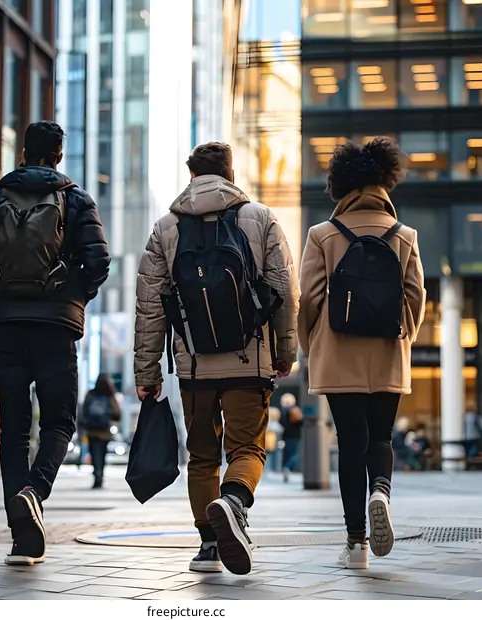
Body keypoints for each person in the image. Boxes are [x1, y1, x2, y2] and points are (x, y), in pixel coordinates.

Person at [134, 142, 300, 575]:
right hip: (249, 359)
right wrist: (285, 352)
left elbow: (150, 306)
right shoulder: (260, 218)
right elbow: (283, 291)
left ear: (191, 177)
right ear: (230, 175)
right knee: (247, 447)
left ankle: (209, 545)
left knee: (202, 456)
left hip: (192, 364)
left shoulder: (165, 227)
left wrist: (146, 372)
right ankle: (232, 501)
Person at [0, 121, 110, 566]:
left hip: (5, 326)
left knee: (13, 432)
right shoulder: (76, 198)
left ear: (24, 152)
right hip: (55, 328)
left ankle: (21, 540)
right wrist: (71, 294)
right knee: (60, 423)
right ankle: (34, 491)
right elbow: (99, 264)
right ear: (59, 155)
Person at [298, 138, 426, 570]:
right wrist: (403, 337)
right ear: (384, 183)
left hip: (339, 355)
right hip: (388, 353)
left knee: (351, 444)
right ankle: (381, 491)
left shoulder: (321, 235)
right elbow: (415, 297)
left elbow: (309, 299)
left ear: (342, 185)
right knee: (382, 437)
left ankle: (356, 546)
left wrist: (309, 346)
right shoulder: (404, 235)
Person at [79, 373, 122, 489]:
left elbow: (83, 411)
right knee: (102, 455)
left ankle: (97, 475)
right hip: (104, 433)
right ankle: (100, 475)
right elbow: (117, 414)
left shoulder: (90, 394)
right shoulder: (110, 395)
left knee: (94, 454)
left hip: (92, 431)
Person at [279, 393, 303, 482]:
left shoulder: (281, 411)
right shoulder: (295, 411)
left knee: (287, 454)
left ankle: (285, 468)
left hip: (285, 435)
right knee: (295, 455)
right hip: (295, 436)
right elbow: (301, 422)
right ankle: (287, 467)